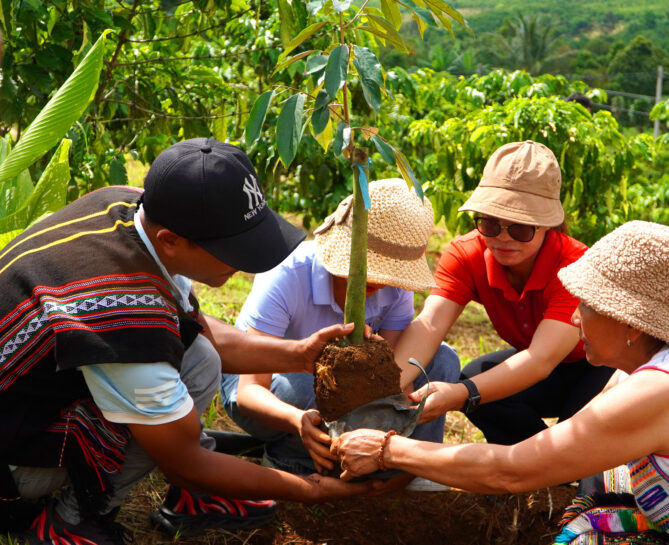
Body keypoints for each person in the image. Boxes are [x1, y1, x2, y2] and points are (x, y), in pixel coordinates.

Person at [333, 220, 669, 544]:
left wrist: (388, 450)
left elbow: (511, 471)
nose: (576, 317)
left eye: (585, 304)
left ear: (631, 323)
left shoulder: (657, 392)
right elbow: (573, 444)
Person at [0, 138, 372, 545]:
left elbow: (198, 332)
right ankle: (69, 523)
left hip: (35, 390)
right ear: (171, 241)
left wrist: (300, 355)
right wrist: (310, 488)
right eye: (231, 249)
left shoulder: (128, 209)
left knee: (199, 358)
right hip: (11, 456)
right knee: (170, 418)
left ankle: (190, 501)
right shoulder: (127, 327)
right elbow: (184, 463)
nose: (242, 264)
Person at [220, 178, 460, 488]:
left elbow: (396, 377)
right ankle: (293, 459)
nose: (382, 284)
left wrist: (392, 423)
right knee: (313, 388)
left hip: (345, 392)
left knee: (439, 362)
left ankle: (408, 470)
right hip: (267, 385)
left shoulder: (395, 288)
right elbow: (249, 391)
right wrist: (297, 422)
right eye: (374, 270)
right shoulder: (289, 273)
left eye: (392, 274)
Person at [391, 140, 613, 445]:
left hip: (600, 366)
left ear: (547, 224)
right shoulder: (466, 254)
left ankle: (566, 462)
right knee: (477, 383)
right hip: (546, 372)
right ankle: (538, 465)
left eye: (520, 228)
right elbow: (430, 324)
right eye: (491, 223)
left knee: (580, 442)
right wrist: (388, 391)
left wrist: (460, 394)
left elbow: (539, 359)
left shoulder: (574, 266)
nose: (503, 238)